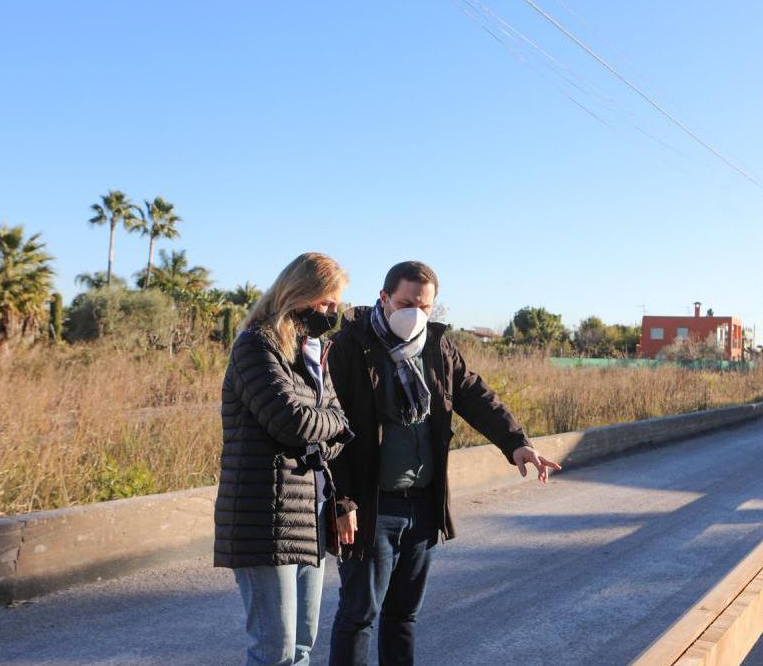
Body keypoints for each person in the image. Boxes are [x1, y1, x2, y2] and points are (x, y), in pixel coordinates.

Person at [326, 260, 561, 666]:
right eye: (405, 302)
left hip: (421, 506)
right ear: (383, 298)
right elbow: (332, 429)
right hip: (372, 506)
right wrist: (343, 502)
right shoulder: (352, 346)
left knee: (403, 617)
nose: (415, 313)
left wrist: (516, 443)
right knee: (359, 616)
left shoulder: (436, 346)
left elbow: (474, 394)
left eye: (425, 306)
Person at [214, 252, 355, 666]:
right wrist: (329, 425)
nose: (333, 313)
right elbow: (290, 421)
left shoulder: (314, 353)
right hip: (263, 516)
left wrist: (327, 428)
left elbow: (340, 429)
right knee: (273, 650)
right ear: (299, 293)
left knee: (302, 646)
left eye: (336, 304)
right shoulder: (255, 346)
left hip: (307, 512)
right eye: (327, 303)